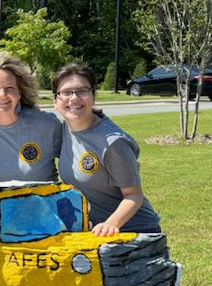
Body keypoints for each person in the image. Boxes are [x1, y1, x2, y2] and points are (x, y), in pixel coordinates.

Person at [53, 62, 161, 236]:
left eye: (82, 91)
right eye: (66, 92)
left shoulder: (112, 143)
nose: (73, 98)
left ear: (93, 96)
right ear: (55, 101)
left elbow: (134, 196)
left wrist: (111, 224)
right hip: (95, 234)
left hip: (133, 233)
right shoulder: (65, 129)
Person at [0, 51, 61, 182]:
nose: (2, 94)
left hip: (43, 202)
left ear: (19, 93)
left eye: (9, 88)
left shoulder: (47, 124)